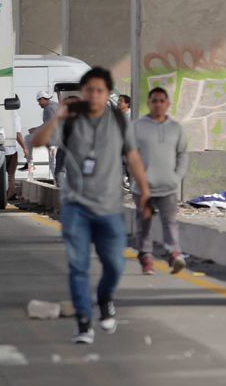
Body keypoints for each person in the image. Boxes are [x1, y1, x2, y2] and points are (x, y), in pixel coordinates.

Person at [31, 66, 151, 345]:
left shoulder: (120, 123)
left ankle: (105, 298)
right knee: (78, 265)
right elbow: (36, 141)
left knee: (114, 264)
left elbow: (132, 157)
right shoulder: (70, 121)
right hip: (76, 206)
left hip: (109, 207)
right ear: (82, 94)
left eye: (100, 90)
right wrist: (57, 118)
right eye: (89, 90)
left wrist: (145, 191)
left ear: (108, 94)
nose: (94, 95)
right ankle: (84, 322)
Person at [132, 85, 190, 275]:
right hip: (143, 187)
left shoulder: (176, 128)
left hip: (168, 186)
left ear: (168, 104)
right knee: (144, 223)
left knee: (170, 221)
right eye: (154, 101)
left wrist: (177, 177)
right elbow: (129, 155)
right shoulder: (137, 127)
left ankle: (174, 254)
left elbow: (182, 155)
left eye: (161, 101)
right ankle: (146, 258)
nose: (158, 104)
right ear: (148, 103)